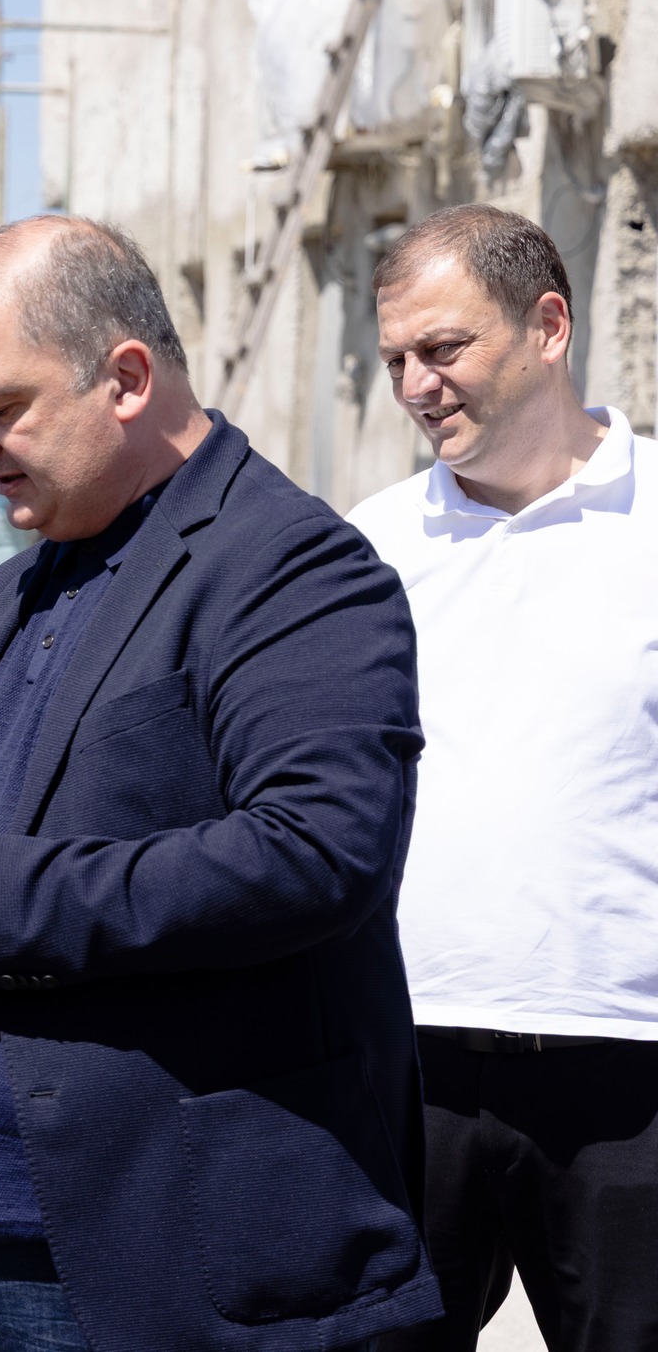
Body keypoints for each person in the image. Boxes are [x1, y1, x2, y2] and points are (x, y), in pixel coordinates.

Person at [0, 216, 443, 1351]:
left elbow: (316, 850)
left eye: (0, 407)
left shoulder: (289, 568)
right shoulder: (21, 582)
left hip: (129, 1263)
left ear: (126, 378)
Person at [348, 205, 658, 1352]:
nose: (413, 386)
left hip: (630, 1073)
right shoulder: (365, 549)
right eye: (394, 360)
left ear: (547, 326)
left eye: (441, 348)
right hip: (404, 1064)